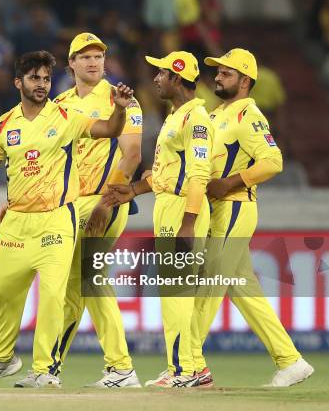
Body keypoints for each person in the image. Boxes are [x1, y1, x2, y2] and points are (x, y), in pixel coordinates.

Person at [0, 50, 133, 388]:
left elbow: (109, 129)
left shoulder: (66, 116)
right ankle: (1, 358)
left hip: (58, 218)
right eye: (34, 78)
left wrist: (119, 108)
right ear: (18, 82)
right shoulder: (4, 125)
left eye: (46, 78)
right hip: (16, 221)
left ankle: (45, 370)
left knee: (53, 295)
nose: (42, 84)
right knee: (0, 292)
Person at [190, 48, 314, 387]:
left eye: (226, 73)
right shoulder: (216, 114)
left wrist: (229, 182)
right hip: (219, 209)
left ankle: (189, 364)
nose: (217, 76)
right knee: (243, 287)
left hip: (234, 206)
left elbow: (273, 160)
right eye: (217, 71)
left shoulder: (249, 115)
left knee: (212, 282)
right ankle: (290, 361)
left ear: (245, 81)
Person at [36, 33, 144, 387]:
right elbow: (45, 157)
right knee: (74, 285)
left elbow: (132, 155)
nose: (94, 62)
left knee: (90, 279)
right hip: (67, 204)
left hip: (103, 200)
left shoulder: (123, 100)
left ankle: (121, 367)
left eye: (98, 56)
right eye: (85, 57)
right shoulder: (59, 104)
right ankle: (50, 368)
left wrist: (105, 201)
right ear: (71, 64)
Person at [103, 51, 213, 388]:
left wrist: (189, 222)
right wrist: (134, 190)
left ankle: (184, 371)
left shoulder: (195, 118)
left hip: (183, 209)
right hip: (170, 205)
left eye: (162, 74)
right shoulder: (176, 115)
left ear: (177, 78)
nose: (155, 79)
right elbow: (167, 172)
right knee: (173, 292)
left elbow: (198, 174)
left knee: (176, 292)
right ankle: (188, 367)